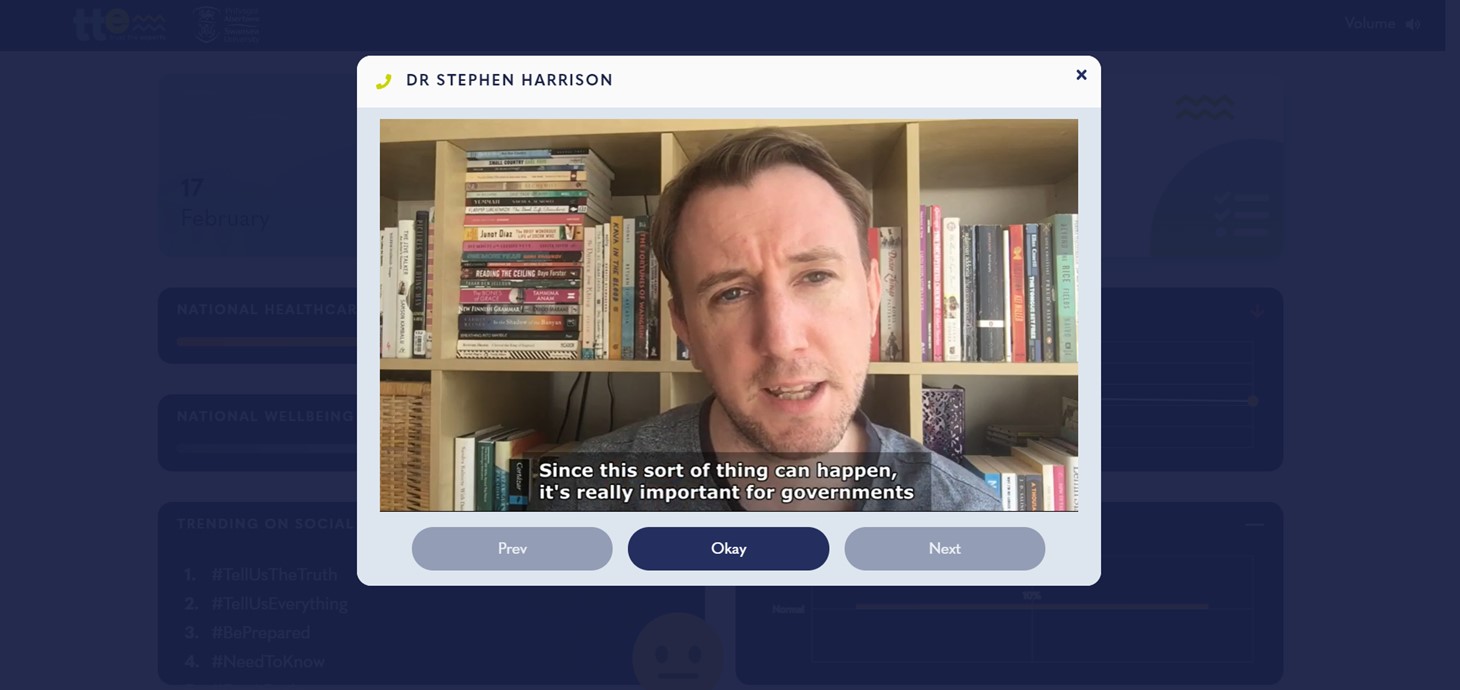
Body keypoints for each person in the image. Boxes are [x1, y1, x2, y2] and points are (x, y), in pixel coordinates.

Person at [530, 127, 1000, 511]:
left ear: (873, 297)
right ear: (685, 328)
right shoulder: (580, 500)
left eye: (816, 276)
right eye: (731, 294)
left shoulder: (966, 518)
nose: (781, 339)